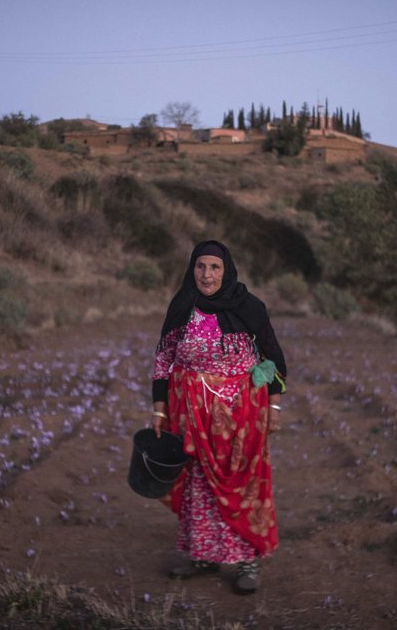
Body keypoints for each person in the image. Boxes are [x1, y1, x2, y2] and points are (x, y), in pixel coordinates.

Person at [150, 239, 287, 595]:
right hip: (192, 415)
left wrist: (273, 406)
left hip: (243, 413)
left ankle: (247, 561)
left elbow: (272, 357)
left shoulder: (249, 307)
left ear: (226, 271)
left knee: (244, 482)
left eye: (214, 267)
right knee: (199, 482)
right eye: (200, 266)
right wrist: (159, 408)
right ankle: (204, 554)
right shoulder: (182, 306)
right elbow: (163, 360)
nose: (206, 274)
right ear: (191, 269)